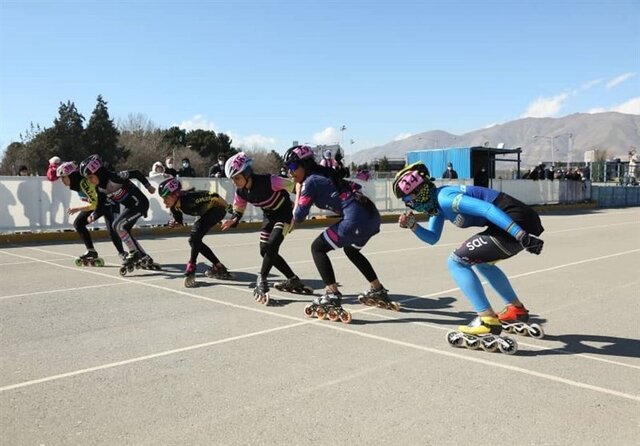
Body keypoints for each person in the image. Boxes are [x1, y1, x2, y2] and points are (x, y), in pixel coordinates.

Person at [394, 162, 545, 352]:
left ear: (420, 192)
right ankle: (516, 310)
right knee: (483, 264)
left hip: (514, 220)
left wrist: (520, 235)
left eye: (407, 198)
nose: (408, 204)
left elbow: (487, 210)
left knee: (456, 261)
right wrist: (413, 226)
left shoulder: (446, 199)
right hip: (515, 220)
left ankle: (487, 320)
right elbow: (432, 238)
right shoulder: (436, 207)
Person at [284, 145, 396, 323]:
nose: (290, 173)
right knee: (351, 250)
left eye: (292, 167)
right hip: (371, 216)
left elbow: (298, 216)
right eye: (286, 169)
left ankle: (332, 294)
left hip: (356, 219)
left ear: (304, 164)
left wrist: (298, 191)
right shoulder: (324, 174)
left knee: (317, 248)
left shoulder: (310, 181)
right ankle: (378, 289)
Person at [220, 152, 311, 304]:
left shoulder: (270, 181)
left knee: (273, 244)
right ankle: (293, 279)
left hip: (284, 214)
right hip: (269, 216)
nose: (235, 182)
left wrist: (298, 210)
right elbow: (239, 209)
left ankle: (261, 279)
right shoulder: (241, 192)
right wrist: (233, 220)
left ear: (247, 173)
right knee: (265, 251)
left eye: (237, 177)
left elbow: (296, 186)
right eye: (232, 179)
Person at [79, 154, 159, 274]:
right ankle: (143, 256)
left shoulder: (115, 177)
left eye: (90, 177)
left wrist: (148, 186)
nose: (89, 180)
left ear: (99, 172)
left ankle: (134, 253)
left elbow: (136, 173)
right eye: (87, 178)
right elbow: (100, 206)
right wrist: (94, 215)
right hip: (131, 207)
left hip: (140, 203)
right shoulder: (99, 189)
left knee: (118, 225)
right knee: (123, 229)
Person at [158, 177, 233, 287]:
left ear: (175, 195)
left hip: (217, 209)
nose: (164, 202)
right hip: (205, 213)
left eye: (166, 198)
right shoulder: (174, 207)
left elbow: (214, 195)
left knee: (194, 238)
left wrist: (228, 207)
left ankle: (192, 264)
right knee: (194, 241)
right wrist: (175, 224)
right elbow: (180, 224)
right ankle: (219, 267)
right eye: (162, 198)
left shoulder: (190, 199)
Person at [56, 161, 126, 264]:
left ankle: (123, 254)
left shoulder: (84, 184)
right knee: (79, 224)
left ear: (71, 176)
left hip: (109, 203)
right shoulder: (77, 184)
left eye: (63, 177)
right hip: (100, 203)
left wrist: (77, 209)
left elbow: (95, 205)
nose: (61, 181)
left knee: (112, 230)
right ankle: (91, 251)